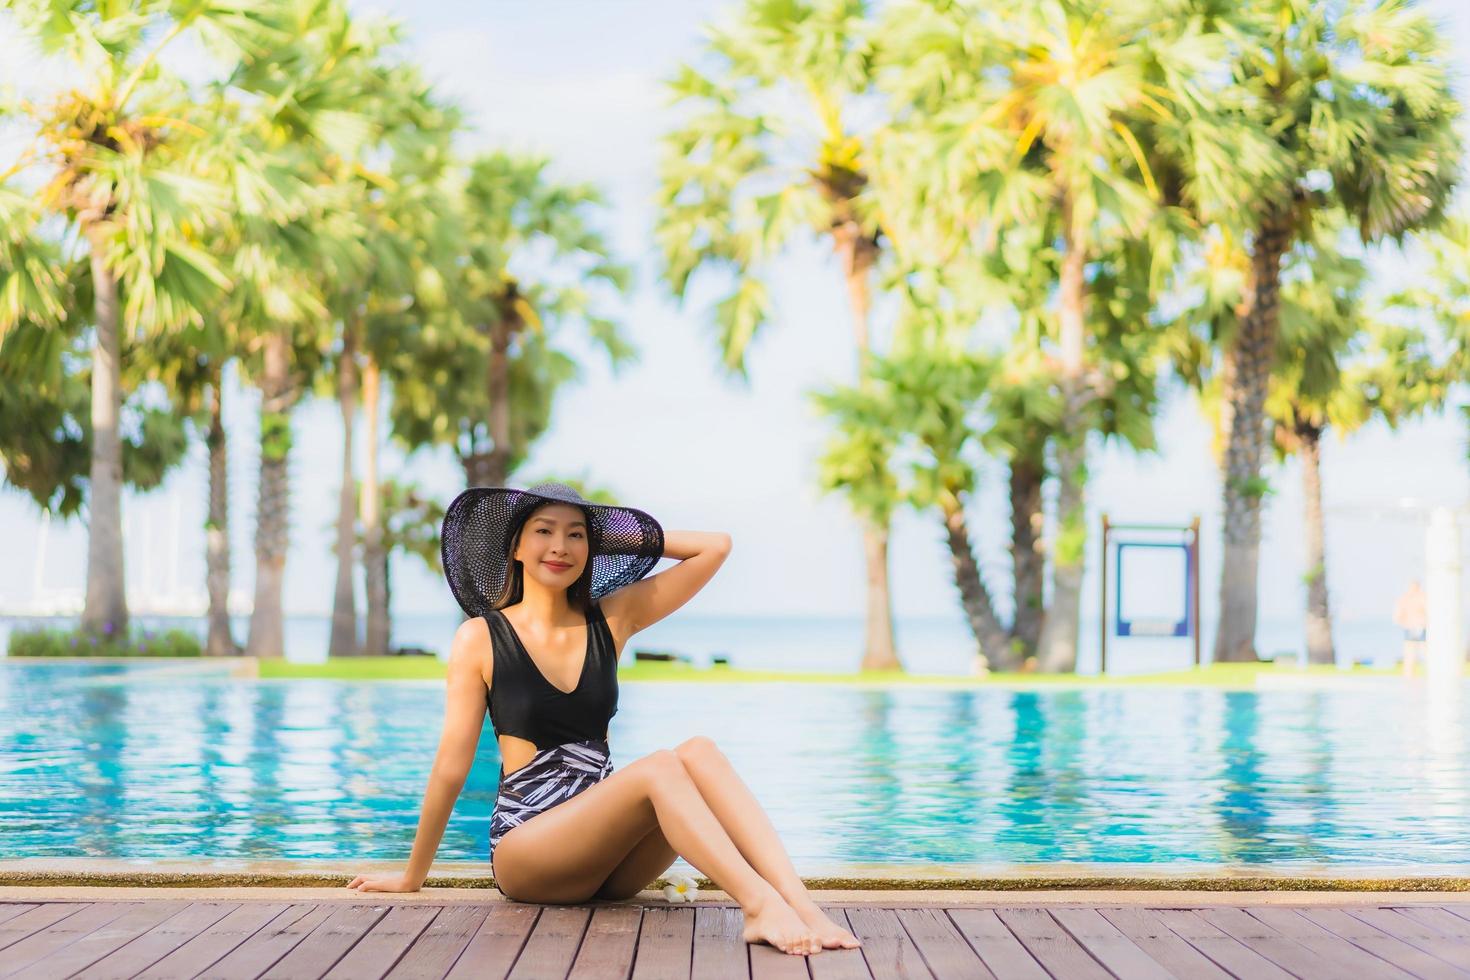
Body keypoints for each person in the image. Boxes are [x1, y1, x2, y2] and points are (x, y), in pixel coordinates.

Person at [346, 482, 860, 957]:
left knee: (699, 752)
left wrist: (616, 538)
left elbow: (716, 546)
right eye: (543, 532)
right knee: (660, 767)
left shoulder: (611, 620)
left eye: (576, 536)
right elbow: (451, 767)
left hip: (608, 863)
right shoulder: (480, 638)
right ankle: (757, 904)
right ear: (517, 547)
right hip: (530, 851)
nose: (560, 547)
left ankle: (801, 903)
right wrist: (414, 876)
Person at [1393, 579, 1428, 677]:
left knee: (1421, 653)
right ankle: (1409, 675)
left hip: (1418, 627)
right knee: (1412, 654)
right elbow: (1397, 616)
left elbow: (1397, 616)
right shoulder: (1414, 598)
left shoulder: (1417, 597)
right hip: (1414, 627)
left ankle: (1411, 675)